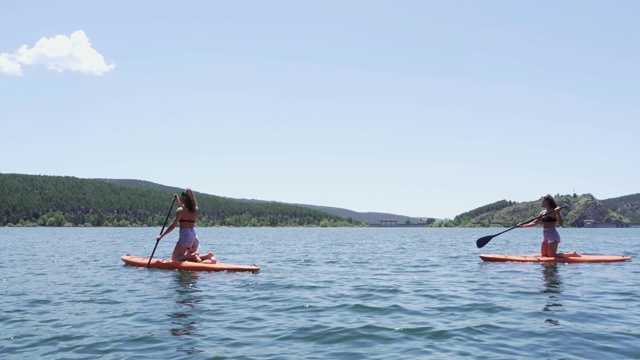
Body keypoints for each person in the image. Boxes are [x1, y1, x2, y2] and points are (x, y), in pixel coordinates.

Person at [156, 189, 216, 263]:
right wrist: (178, 201)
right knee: (191, 260)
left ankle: (193, 255)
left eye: (181, 196)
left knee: (175, 260)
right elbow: (186, 209)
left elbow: (173, 225)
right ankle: (208, 256)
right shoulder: (195, 209)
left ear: (183, 198)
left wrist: (161, 236)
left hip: (186, 236)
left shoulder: (180, 210)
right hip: (194, 236)